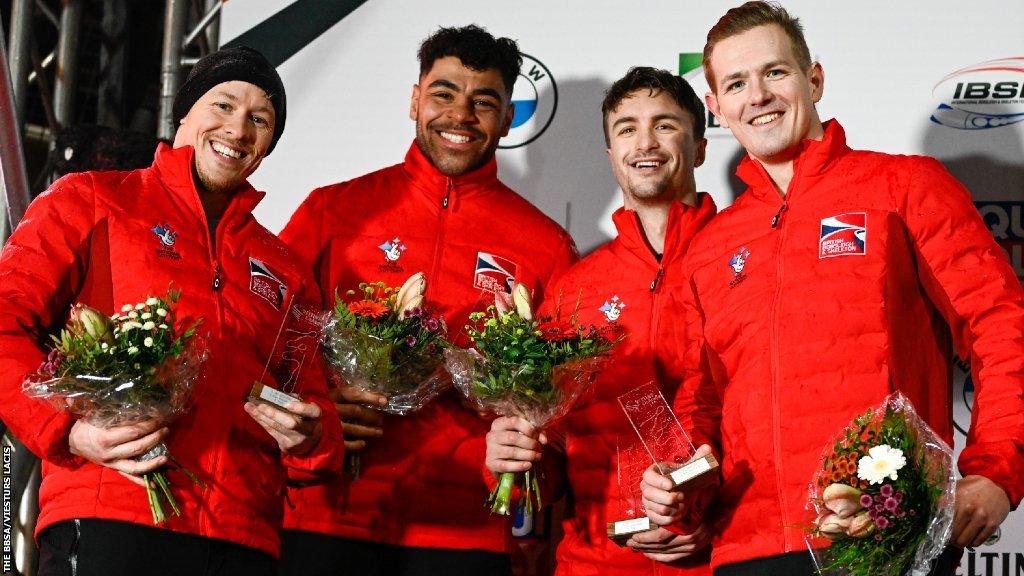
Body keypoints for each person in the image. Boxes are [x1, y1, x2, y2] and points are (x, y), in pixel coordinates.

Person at [640, 3, 1024, 575]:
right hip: (751, 548)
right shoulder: (711, 245)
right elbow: (703, 399)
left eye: (775, 73)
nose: (759, 96)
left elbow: (1001, 325)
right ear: (717, 107)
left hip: (885, 534)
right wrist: (680, 484)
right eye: (737, 83)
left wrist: (995, 469)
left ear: (813, 78)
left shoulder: (903, 186)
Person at [0, 46, 343, 576]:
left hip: (244, 539)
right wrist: (67, 431)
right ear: (184, 112)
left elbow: (312, 403)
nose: (238, 129)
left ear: (269, 144)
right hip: (111, 515)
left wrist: (312, 437)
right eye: (223, 105)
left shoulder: (286, 268)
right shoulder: (90, 200)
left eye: (259, 119)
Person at [278, 25, 577, 576]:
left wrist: (527, 451)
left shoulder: (545, 245)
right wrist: (316, 405)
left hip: (463, 534)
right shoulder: (334, 210)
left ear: (508, 118)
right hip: (326, 518)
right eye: (444, 93)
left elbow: (559, 412)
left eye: (483, 101)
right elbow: (268, 339)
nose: (461, 115)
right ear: (415, 99)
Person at [485, 67, 717, 576]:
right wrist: (516, 457)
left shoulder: (741, 259)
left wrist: (711, 514)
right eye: (627, 128)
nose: (645, 142)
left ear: (700, 147)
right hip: (597, 559)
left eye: (665, 124)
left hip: (721, 554)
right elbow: (554, 448)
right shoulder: (575, 287)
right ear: (612, 157)